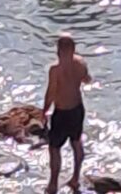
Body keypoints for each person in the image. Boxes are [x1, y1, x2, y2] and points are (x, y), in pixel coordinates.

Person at [43, 33, 91, 193]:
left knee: (54, 148)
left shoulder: (55, 69)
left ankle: (53, 183)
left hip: (62, 112)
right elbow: (87, 79)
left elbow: (51, 92)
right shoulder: (80, 63)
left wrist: (44, 110)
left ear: (58, 51)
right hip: (77, 109)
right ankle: (75, 178)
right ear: (73, 49)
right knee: (76, 142)